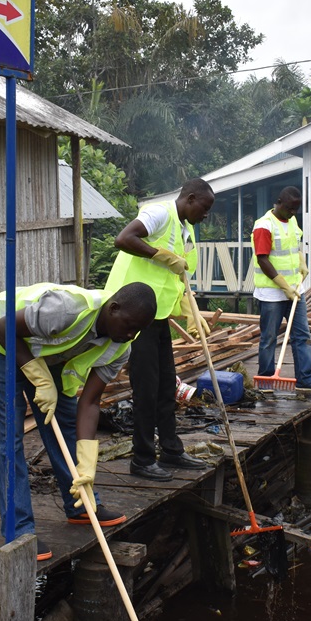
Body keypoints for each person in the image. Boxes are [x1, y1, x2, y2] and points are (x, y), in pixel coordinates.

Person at [0, 281, 156, 559]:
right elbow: (3, 328)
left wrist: (87, 463)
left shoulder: (121, 345)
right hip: (4, 340)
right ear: (113, 308)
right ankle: (20, 532)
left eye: (138, 330)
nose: (131, 334)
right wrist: (37, 375)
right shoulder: (66, 310)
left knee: (64, 423)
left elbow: (89, 403)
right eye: (129, 325)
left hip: (48, 351)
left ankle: (82, 505)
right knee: (9, 437)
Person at [105, 178, 215, 481]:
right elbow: (124, 238)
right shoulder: (160, 213)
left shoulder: (186, 230)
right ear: (190, 199)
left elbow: (178, 279)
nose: (205, 216)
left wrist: (191, 310)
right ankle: (141, 458)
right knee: (146, 389)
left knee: (167, 386)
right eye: (204, 209)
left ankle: (170, 449)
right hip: (131, 317)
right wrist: (160, 255)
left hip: (159, 316)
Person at [252, 186, 311, 393]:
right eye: (289, 209)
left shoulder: (292, 221)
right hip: (271, 294)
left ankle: (305, 378)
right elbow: (263, 260)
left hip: (296, 290)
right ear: (278, 202)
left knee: (302, 335)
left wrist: (302, 262)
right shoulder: (264, 226)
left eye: (295, 209)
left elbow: (295, 246)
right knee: (268, 338)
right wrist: (283, 286)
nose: (292, 213)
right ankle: (266, 380)